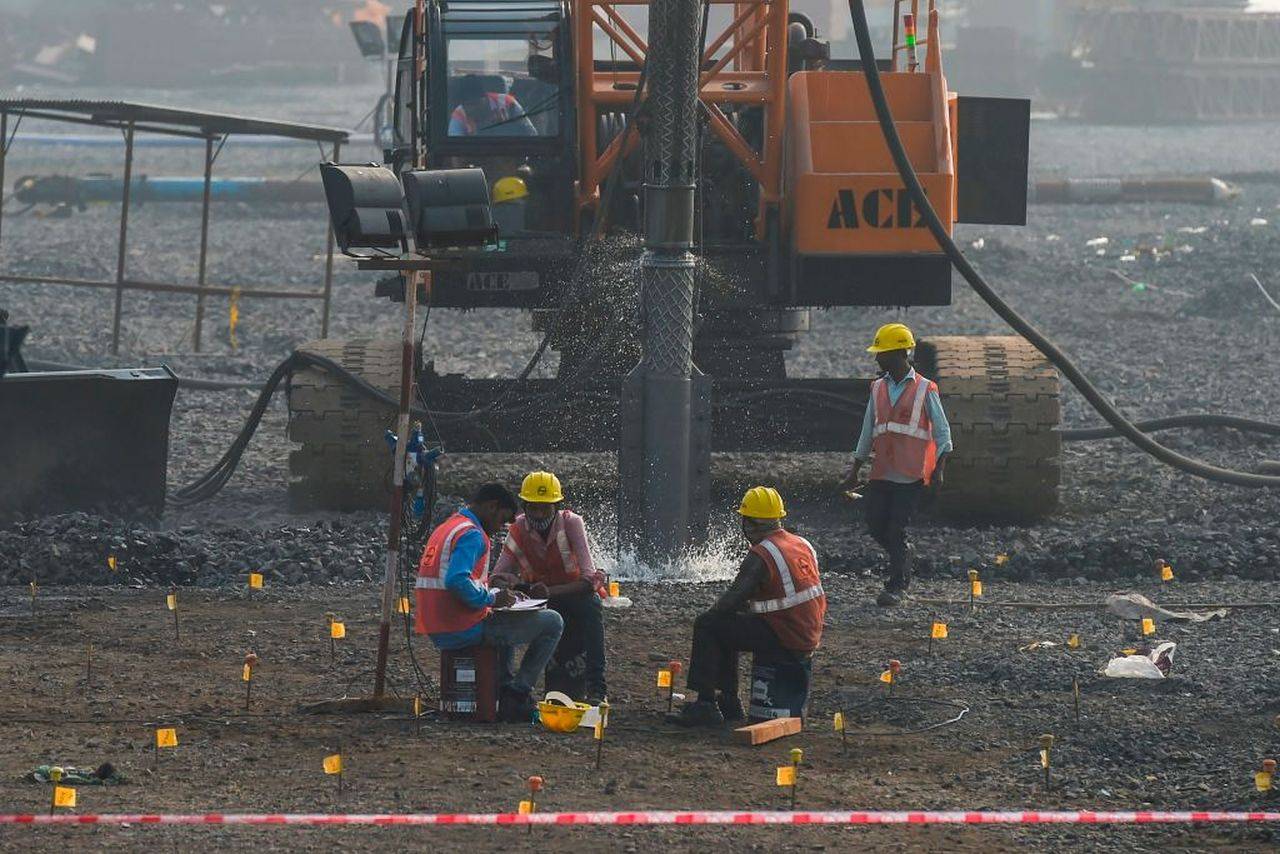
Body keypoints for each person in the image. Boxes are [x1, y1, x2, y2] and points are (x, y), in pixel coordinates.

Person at [671, 487, 827, 727]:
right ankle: (729, 702)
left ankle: (706, 704)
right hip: (806, 633)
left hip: (787, 636)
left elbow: (729, 602)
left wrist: (710, 617)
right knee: (729, 626)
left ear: (750, 523)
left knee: (709, 625)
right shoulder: (800, 544)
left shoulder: (762, 554)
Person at [415, 483, 564, 723]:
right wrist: (492, 598)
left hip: (436, 624)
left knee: (504, 619)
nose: (499, 529)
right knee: (553, 622)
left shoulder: (449, 527)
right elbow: (456, 580)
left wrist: (495, 596)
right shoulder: (473, 534)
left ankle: (503, 686)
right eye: (502, 520)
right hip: (460, 627)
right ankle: (517, 693)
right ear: (492, 507)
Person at [844, 322, 952, 607]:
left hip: (911, 475)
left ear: (898, 354)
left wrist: (938, 470)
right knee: (875, 524)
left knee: (895, 529)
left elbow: (943, 434)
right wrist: (855, 469)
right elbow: (868, 431)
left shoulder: (926, 389)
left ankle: (896, 584)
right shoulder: (878, 387)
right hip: (883, 472)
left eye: (881, 353)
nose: (876, 358)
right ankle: (903, 553)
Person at [492, 471, 609, 704]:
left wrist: (550, 592)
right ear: (524, 506)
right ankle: (510, 686)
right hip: (536, 595)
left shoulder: (572, 523)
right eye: (533, 508)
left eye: (544, 508)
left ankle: (597, 686)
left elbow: (588, 579)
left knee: (592, 607)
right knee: (502, 613)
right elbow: (496, 576)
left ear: (555, 506)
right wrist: (512, 585)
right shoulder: (517, 529)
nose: (538, 514)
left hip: (572, 592)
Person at [447, 75, 536, 137]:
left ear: (485, 98)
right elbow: (454, 149)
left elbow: (531, 134)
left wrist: (508, 128)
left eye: (474, 104)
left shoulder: (507, 103)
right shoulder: (459, 114)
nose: (470, 110)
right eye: (466, 105)